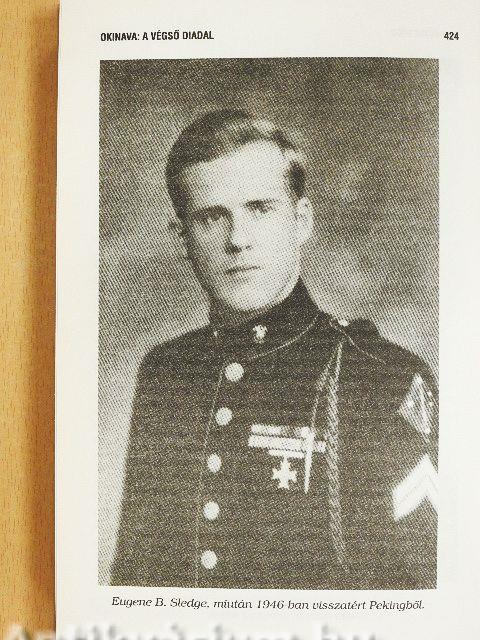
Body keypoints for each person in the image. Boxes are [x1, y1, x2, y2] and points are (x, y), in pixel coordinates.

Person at [111, 109, 437, 590]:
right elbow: (136, 581)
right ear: (183, 239)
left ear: (302, 221)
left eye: (259, 209)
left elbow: (420, 602)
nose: (237, 240)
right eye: (211, 218)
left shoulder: (381, 378)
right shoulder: (167, 372)